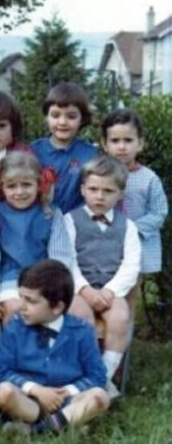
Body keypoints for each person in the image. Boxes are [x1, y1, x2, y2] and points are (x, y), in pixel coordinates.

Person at [0, 260, 109, 435]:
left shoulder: (81, 331)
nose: (21, 306)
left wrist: (67, 392)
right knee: (2, 393)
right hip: (29, 401)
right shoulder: (14, 327)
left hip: (68, 400)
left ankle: (37, 429)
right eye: (21, 297)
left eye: (31, 301)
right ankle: (65, 425)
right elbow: (2, 370)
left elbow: (97, 375)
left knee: (100, 397)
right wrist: (36, 390)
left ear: (57, 307)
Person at [64, 156, 139, 396]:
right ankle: (87, 372)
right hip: (78, 288)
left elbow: (131, 265)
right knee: (82, 320)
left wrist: (110, 291)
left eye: (108, 191)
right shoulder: (69, 220)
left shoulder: (128, 227)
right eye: (93, 189)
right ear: (83, 189)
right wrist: (85, 290)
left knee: (120, 318)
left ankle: (103, 377)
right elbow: (67, 260)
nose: (99, 196)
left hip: (110, 289)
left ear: (120, 193)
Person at [0, 151, 75, 323]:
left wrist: (56, 286)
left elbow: (60, 255)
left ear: (39, 184)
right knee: (17, 309)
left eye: (26, 185)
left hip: (46, 278)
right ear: (1, 187)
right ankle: (15, 349)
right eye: (11, 186)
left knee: (48, 308)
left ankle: (46, 349)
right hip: (11, 278)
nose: (19, 192)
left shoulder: (50, 213)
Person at [101, 108, 168, 275]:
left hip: (138, 245)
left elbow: (159, 212)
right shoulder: (99, 176)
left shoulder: (149, 178)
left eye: (128, 140)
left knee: (133, 287)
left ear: (140, 143)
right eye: (115, 141)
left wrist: (132, 229)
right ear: (104, 144)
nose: (122, 147)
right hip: (105, 244)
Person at [31, 82, 99, 213]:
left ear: (82, 119)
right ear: (46, 117)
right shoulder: (33, 151)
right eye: (55, 115)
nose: (62, 122)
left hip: (77, 222)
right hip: (41, 220)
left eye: (71, 116)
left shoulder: (91, 154)